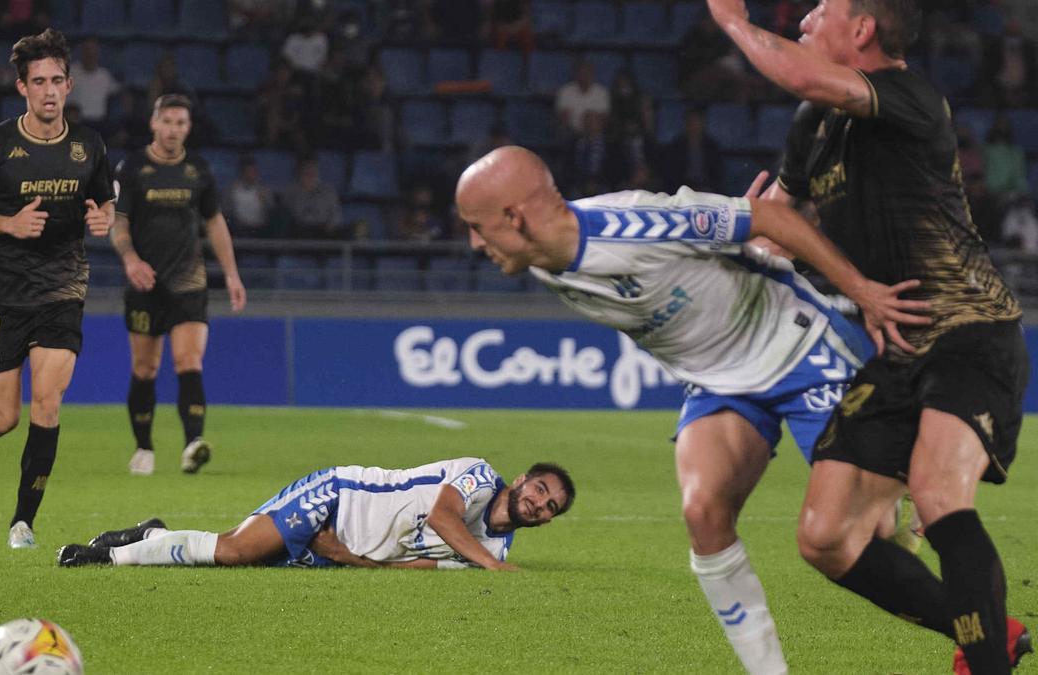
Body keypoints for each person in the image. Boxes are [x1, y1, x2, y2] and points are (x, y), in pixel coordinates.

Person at [457, 146, 929, 674]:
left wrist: (862, 291)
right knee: (703, 511)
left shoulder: (633, 224)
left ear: (514, 218)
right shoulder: (540, 256)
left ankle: (908, 494)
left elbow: (771, 217)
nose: (474, 243)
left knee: (865, 540)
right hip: (720, 382)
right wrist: (734, 245)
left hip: (797, 353)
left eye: (476, 226)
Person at [705, 0, 1033, 672]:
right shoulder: (813, 126)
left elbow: (806, 77)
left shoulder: (911, 96)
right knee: (826, 536)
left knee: (938, 494)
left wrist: (737, 23)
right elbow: (785, 228)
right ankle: (987, 632)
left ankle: (986, 661)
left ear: (862, 30)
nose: (802, 23)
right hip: (896, 348)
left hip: (969, 328)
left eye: (819, 11)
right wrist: (750, 239)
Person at [0, 28, 115, 549]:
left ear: (69, 85)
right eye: (37, 81)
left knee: (48, 402)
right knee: (4, 421)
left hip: (63, 285)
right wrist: (7, 224)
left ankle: (23, 522)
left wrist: (104, 217)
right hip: (1, 290)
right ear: (21, 87)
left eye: (57, 81)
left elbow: (106, 201)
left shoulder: (89, 146)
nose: (48, 90)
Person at [57, 458, 573, 570]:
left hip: (341, 545)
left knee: (242, 551)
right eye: (541, 489)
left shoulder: (495, 548)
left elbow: (404, 571)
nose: (539, 503)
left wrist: (345, 555)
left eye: (550, 508)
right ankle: (110, 557)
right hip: (341, 494)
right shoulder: (480, 476)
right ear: (524, 478)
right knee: (237, 551)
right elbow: (443, 517)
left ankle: (154, 533)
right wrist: (492, 567)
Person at [109, 94, 247, 477]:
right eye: (167, 121)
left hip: (189, 281)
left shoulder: (198, 170)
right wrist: (131, 260)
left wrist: (232, 274)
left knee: (189, 361)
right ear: (154, 124)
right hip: (144, 283)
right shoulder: (132, 168)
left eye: (181, 123)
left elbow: (214, 223)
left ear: (188, 128)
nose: (173, 130)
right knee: (146, 368)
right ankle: (143, 447)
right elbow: (118, 222)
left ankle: (192, 444)